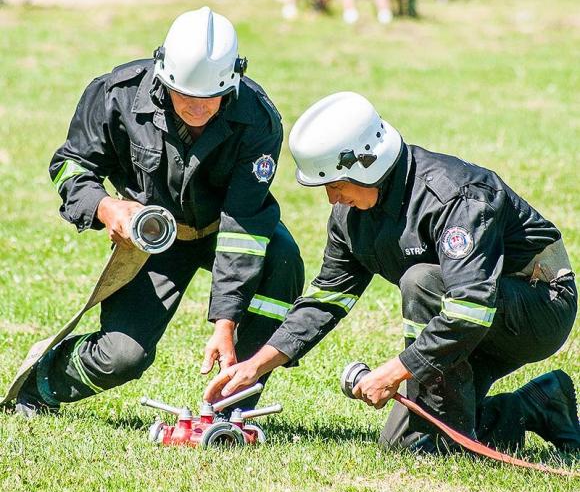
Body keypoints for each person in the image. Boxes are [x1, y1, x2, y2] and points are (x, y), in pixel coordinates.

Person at [204, 92, 579, 456]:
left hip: (539, 306)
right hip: (464, 320)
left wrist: (396, 371)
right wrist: (256, 364)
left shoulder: (455, 195)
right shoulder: (349, 218)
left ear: (367, 163)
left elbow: (471, 307)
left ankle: (457, 438)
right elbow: (326, 299)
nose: (332, 198)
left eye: (335, 184)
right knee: (405, 446)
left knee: (422, 281)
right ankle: (540, 404)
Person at [16, 7, 304, 417]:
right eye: (186, 94)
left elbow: (244, 225)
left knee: (283, 260)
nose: (199, 107)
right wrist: (105, 206)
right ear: (162, 73)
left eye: (212, 97)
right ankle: (41, 383)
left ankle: (232, 406)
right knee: (123, 356)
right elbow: (70, 165)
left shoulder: (258, 119)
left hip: (224, 231)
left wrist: (226, 322)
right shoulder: (115, 95)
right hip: (151, 241)